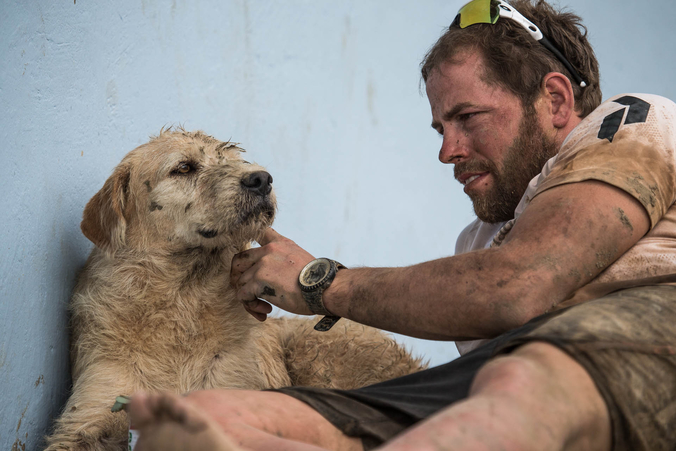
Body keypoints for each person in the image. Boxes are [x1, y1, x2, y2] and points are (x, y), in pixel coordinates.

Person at [127, 0, 676, 449]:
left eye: (467, 117)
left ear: (555, 100)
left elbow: (515, 286)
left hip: (632, 351)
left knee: (527, 376)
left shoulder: (630, 125)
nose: (447, 151)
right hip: (505, 392)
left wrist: (321, 281)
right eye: (440, 126)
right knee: (213, 416)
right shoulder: (479, 243)